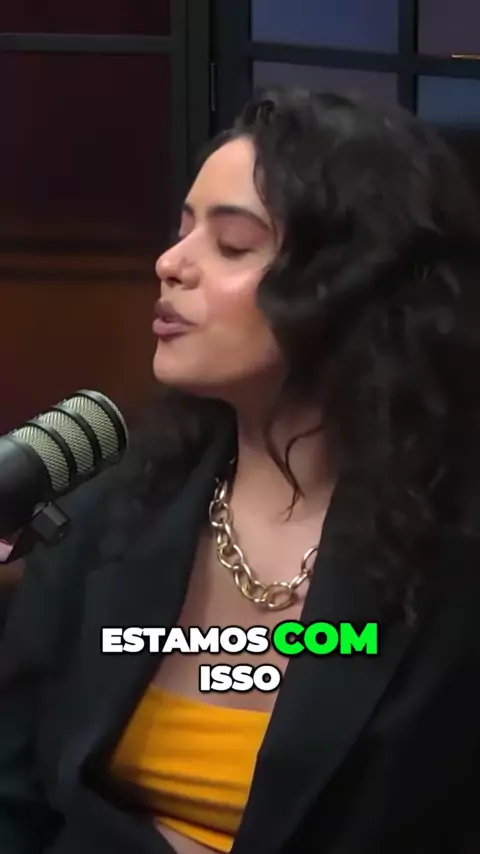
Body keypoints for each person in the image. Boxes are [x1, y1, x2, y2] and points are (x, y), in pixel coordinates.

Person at [1, 88, 480, 854]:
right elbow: (16, 801)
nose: (170, 265)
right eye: (181, 230)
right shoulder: (104, 516)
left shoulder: (454, 548)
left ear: (354, 285)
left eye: (231, 245)